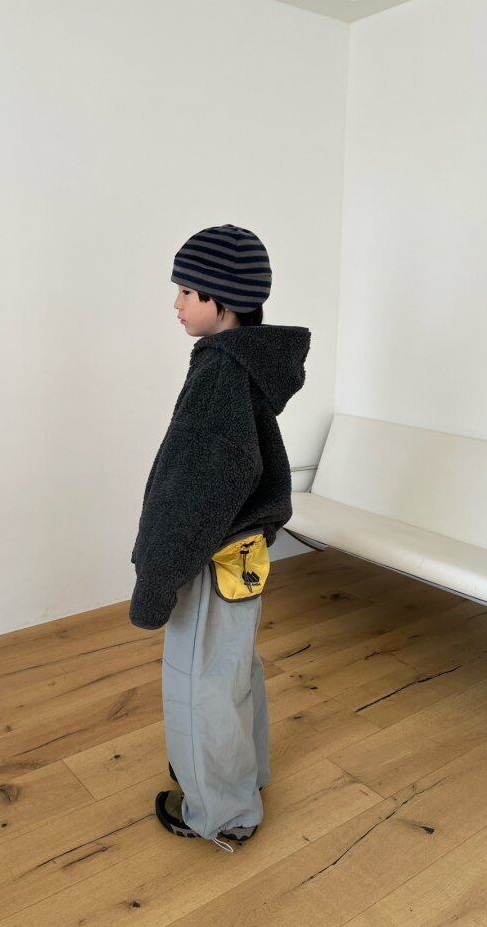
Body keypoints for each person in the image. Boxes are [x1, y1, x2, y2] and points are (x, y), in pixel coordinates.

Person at [129, 223, 312, 853]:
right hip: (244, 550)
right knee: (231, 670)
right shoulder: (248, 365)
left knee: (199, 681)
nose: (176, 303)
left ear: (221, 300)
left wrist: (158, 575)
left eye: (187, 291)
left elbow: (197, 486)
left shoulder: (220, 374)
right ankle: (243, 778)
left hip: (209, 554)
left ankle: (223, 812)